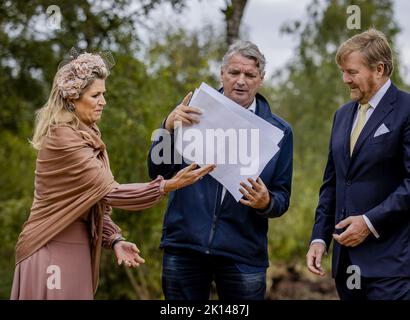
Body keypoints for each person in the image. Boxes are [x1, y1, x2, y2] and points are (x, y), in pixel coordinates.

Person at [10, 51, 214, 300]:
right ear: (73, 99)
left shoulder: (87, 133)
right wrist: (170, 185)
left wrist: (115, 239)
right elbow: (111, 192)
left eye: (103, 94)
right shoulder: (63, 138)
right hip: (51, 246)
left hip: (78, 249)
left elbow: (94, 201)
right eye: (96, 95)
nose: (103, 101)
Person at [147, 40, 293, 300]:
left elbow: (281, 197)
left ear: (261, 79)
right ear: (222, 73)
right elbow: (157, 171)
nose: (241, 81)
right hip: (185, 247)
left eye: (250, 75)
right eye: (234, 73)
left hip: (243, 254)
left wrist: (266, 201)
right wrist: (167, 127)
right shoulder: (192, 112)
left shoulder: (279, 132)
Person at [306, 28, 410, 300]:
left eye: (351, 72)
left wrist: (368, 222)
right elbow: (333, 183)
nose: (345, 79)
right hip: (346, 266)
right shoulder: (342, 115)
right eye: (343, 71)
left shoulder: (407, 110)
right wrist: (319, 238)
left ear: (379, 69)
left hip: (393, 266)